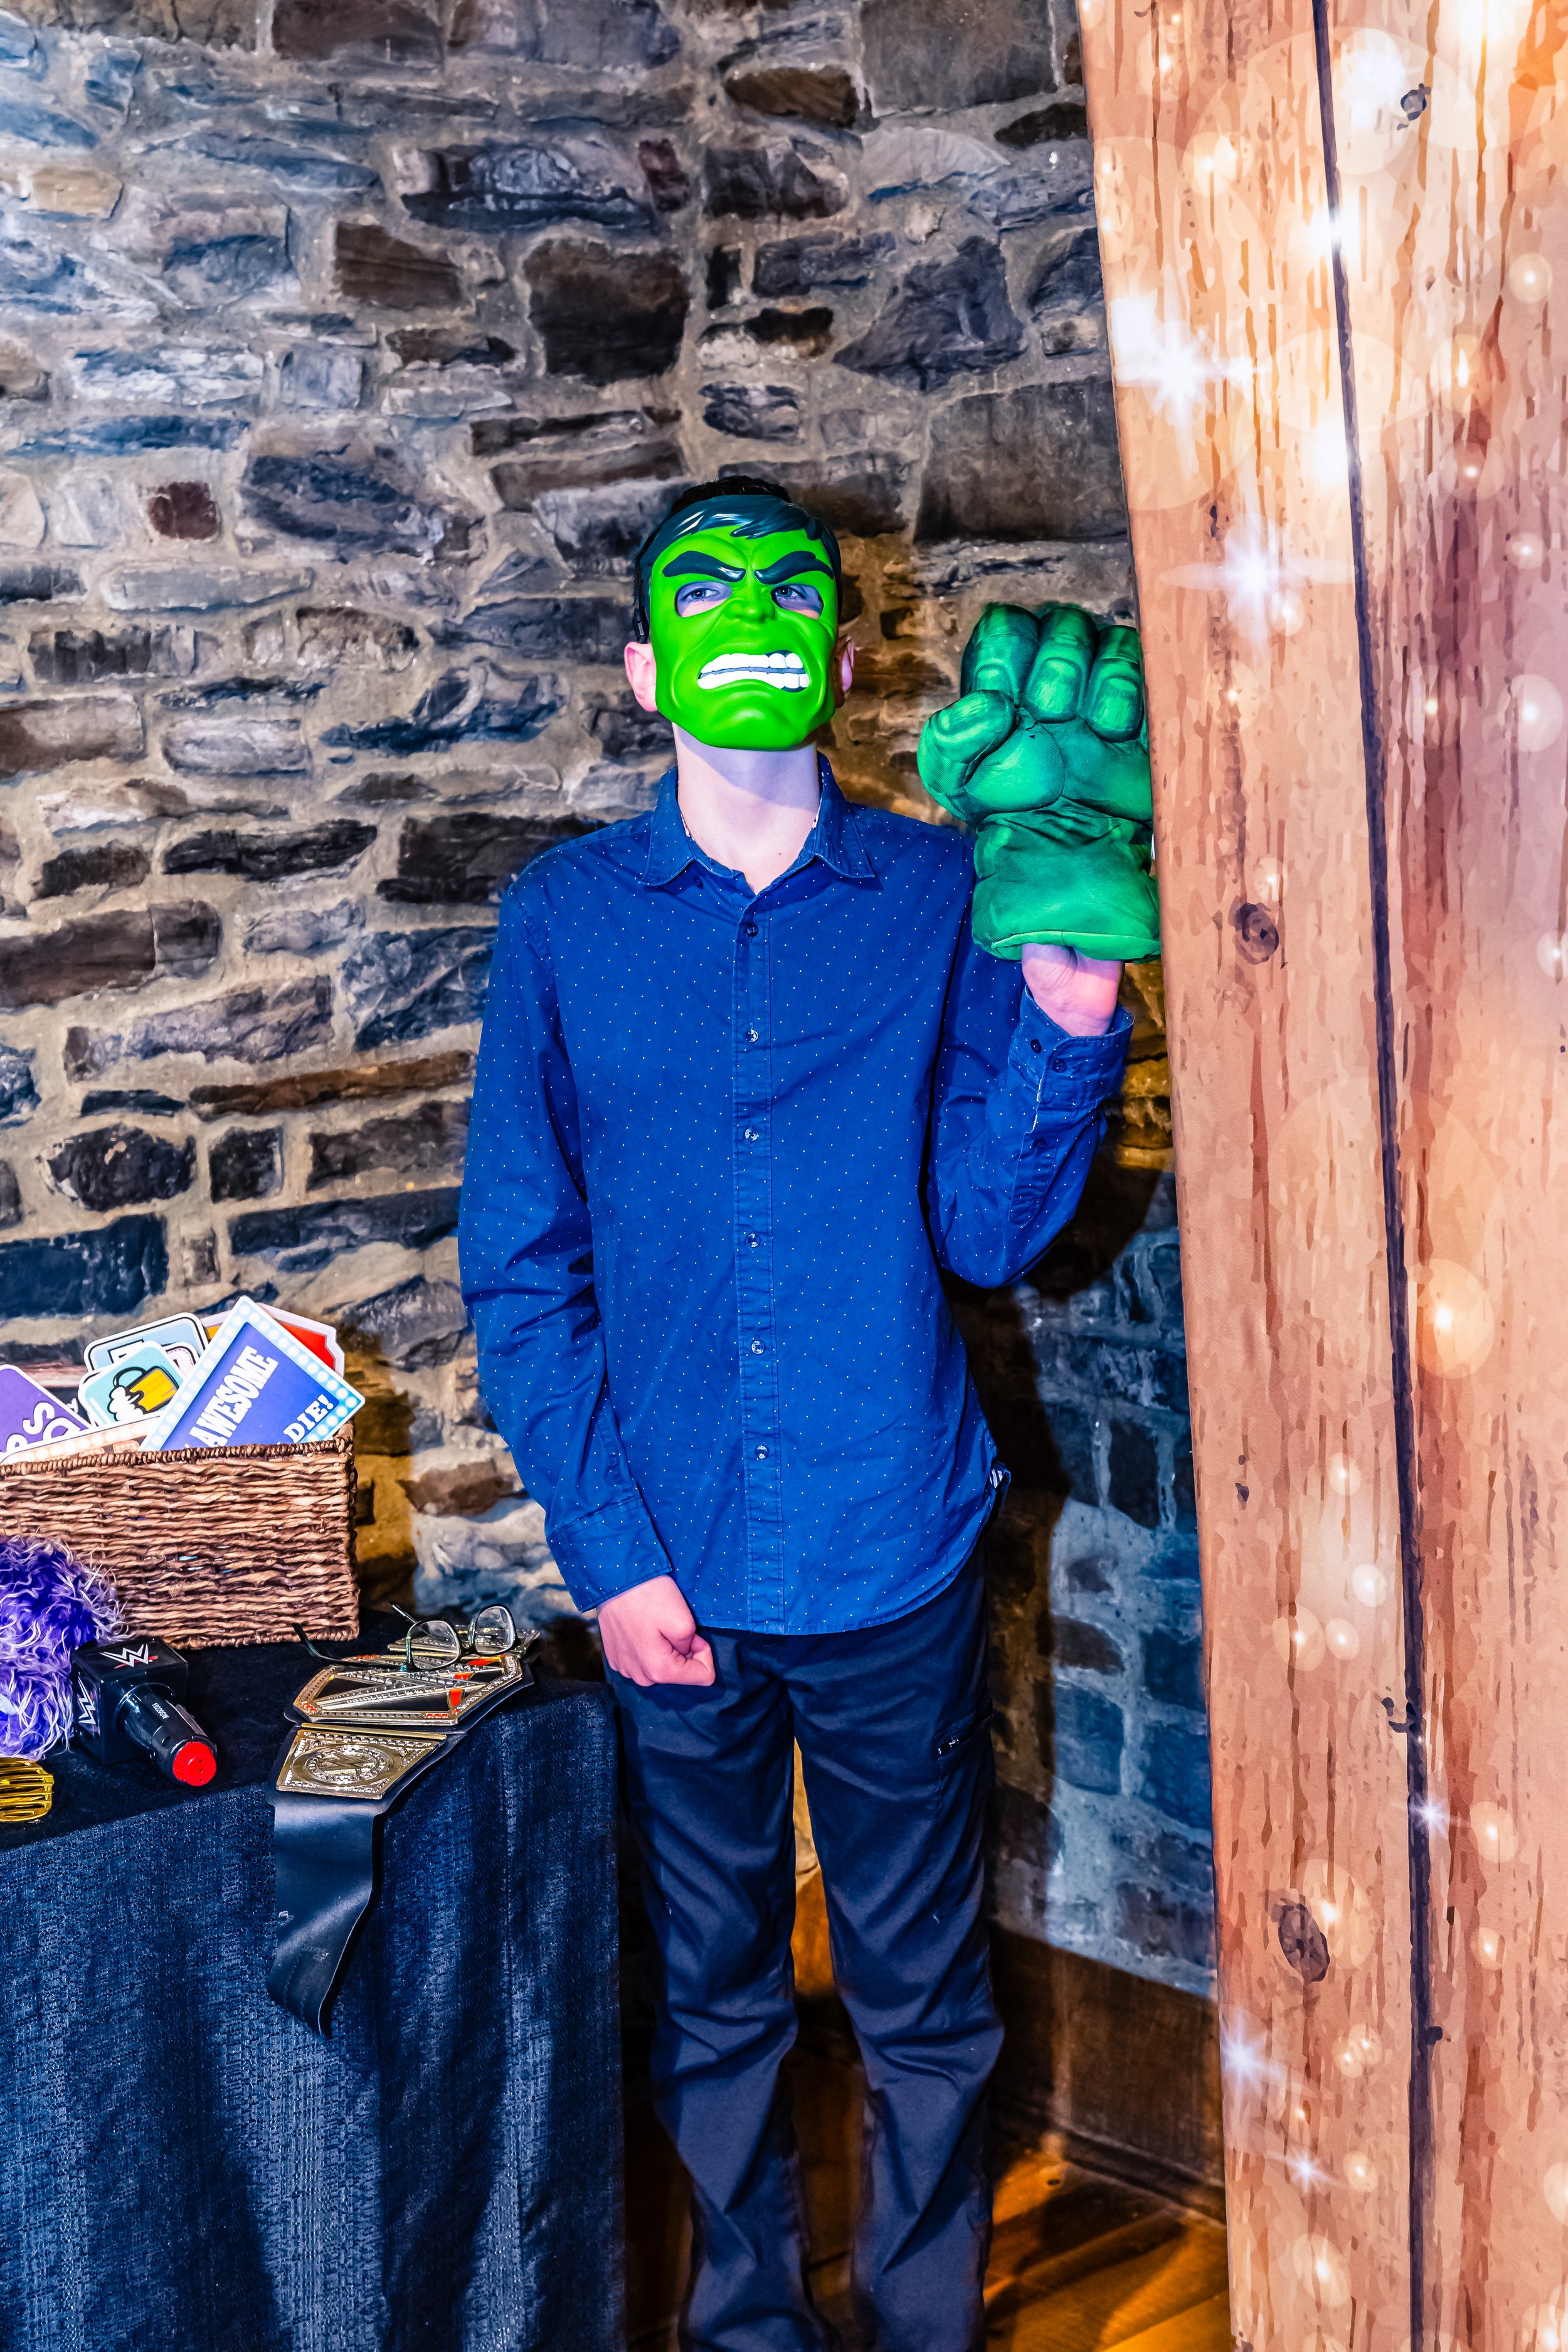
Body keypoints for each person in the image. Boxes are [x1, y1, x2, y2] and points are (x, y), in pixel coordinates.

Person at [459, 476, 1155, 2352]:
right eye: (704, 596)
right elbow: (524, 1273)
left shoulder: (947, 892)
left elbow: (986, 1225)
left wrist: (1070, 1000)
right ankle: (747, 2333)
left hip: (888, 1548)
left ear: (843, 652)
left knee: (922, 1994)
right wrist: (606, 1557)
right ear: (641, 665)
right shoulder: (561, 922)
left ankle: (923, 2330)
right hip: (666, 1569)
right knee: (713, 1998)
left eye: (791, 597)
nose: (750, 620)